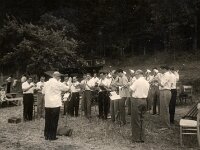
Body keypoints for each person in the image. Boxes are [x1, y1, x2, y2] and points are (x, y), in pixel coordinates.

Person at [43, 71, 69, 140]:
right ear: (57, 77)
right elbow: (66, 88)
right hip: (55, 104)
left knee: (48, 120)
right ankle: (52, 136)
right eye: (59, 76)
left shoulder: (46, 83)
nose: (60, 78)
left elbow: (43, 92)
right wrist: (66, 85)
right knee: (54, 120)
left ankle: (46, 135)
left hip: (47, 104)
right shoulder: (58, 83)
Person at [129, 70, 150, 143]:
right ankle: (142, 137)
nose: (135, 76)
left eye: (135, 74)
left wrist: (132, 95)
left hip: (137, 100)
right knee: (142, 119)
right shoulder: (147, 82)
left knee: (135, 119)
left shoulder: (137, 81)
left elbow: (130, 89)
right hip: (144, 100)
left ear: (139, 74)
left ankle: (136, 138)